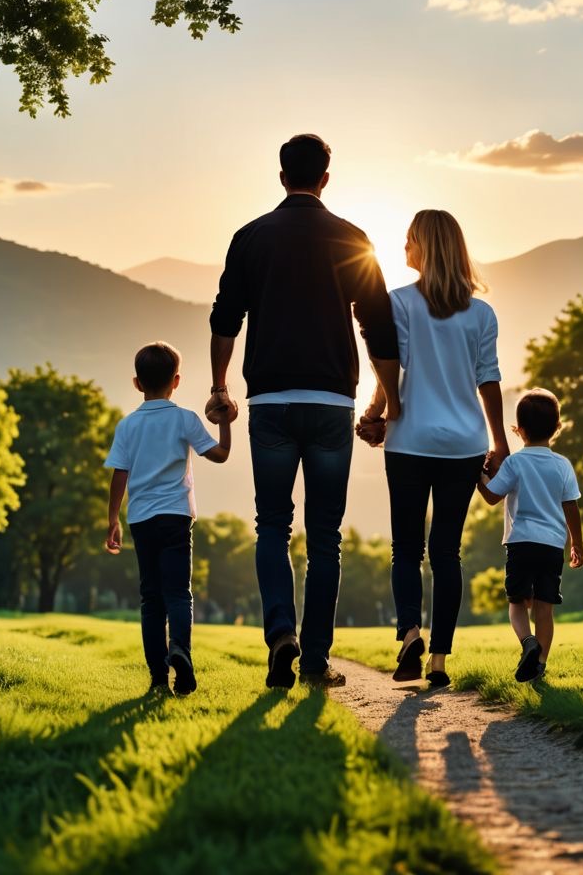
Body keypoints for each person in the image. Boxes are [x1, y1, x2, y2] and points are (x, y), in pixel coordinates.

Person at [208, 134, 400, 690]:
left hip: (268, 401)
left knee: (272, 525)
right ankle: (315, 659)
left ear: (281, 175)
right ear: (325, 179)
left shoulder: (250, 237)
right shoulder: (352, 238)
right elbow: (380, 328)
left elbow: (226, 318)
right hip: (331, 405)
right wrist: (384, 403)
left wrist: (221, 386)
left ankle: (279, 635)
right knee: (325, 536)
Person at [357, 210, 509, 687]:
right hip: (464, 445)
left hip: (409, 440)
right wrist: (500, 441)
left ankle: (408, 635)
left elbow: (389, 369)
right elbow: (489, 380)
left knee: (406, 548)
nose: (403, 248)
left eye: (409, 241)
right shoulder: (482, 313)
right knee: (446, 552)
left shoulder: (398, 303)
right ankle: (439, 660)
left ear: (426, 246)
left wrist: (378, 414)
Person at [105, 341, 232, 695]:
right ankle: (181, 650)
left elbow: (119, 473)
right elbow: (220, 455)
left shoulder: (127, 426)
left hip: (142, 519)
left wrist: (112, 519)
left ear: (137, 383)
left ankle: (159, 679)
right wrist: (225, 423)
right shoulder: (185, 419)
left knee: (151, 598)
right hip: (176, 516)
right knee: (179, 593)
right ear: (175, 381)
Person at [476, 388, 583, 682]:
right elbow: (571, 506)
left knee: (516, 602)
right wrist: (577, 544)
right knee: (545, 608)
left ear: (518, 430)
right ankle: (540, 664)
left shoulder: (515, 463)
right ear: (557, 427)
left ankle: (528, 642)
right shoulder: (562, 465)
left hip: (521, 543)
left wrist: (480, 475)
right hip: (552, 546)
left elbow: (491, 497)